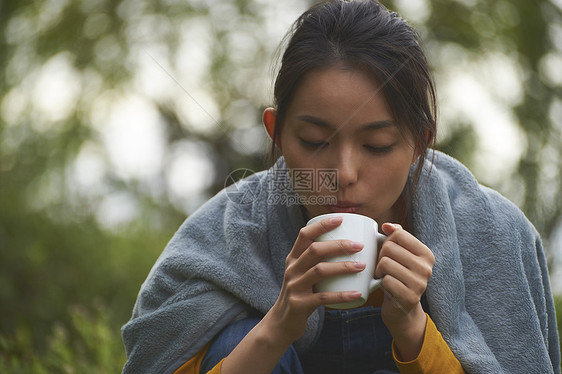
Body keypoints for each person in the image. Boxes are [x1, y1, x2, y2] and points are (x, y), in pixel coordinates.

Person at [121, 0, 561, 373]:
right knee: (236, 338)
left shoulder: (490, 232)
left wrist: (413, 330)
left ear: (418, 144)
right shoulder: (230, 232)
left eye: (377, 145)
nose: (344, 172)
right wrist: (277, 327)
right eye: (314, 141)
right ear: (275, 133)